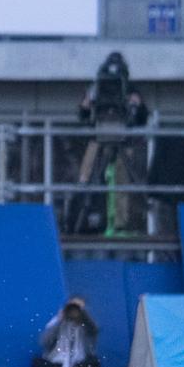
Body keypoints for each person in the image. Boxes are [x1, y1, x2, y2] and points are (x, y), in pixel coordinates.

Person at [69, 51, 149, 235]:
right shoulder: (96, 87)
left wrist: (137, 105)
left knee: (122, 178)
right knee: (87, 177)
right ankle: (82, 220)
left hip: (124, 138)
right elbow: (83, 115)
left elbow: (142, 118)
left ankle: (120, 224)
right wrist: (86, 105)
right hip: (99, 136)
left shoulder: (130, 89)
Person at [33, 296, 101, 367]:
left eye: (77, 308)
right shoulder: (56, 322)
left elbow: (94, 330)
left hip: (78, 364)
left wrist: (84, 316)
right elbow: (44, 342)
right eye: (71, 307)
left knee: (94, 363)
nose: (74, 311)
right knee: (37, 362)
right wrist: (60, 320)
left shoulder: (87, 325)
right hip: (57, 364)